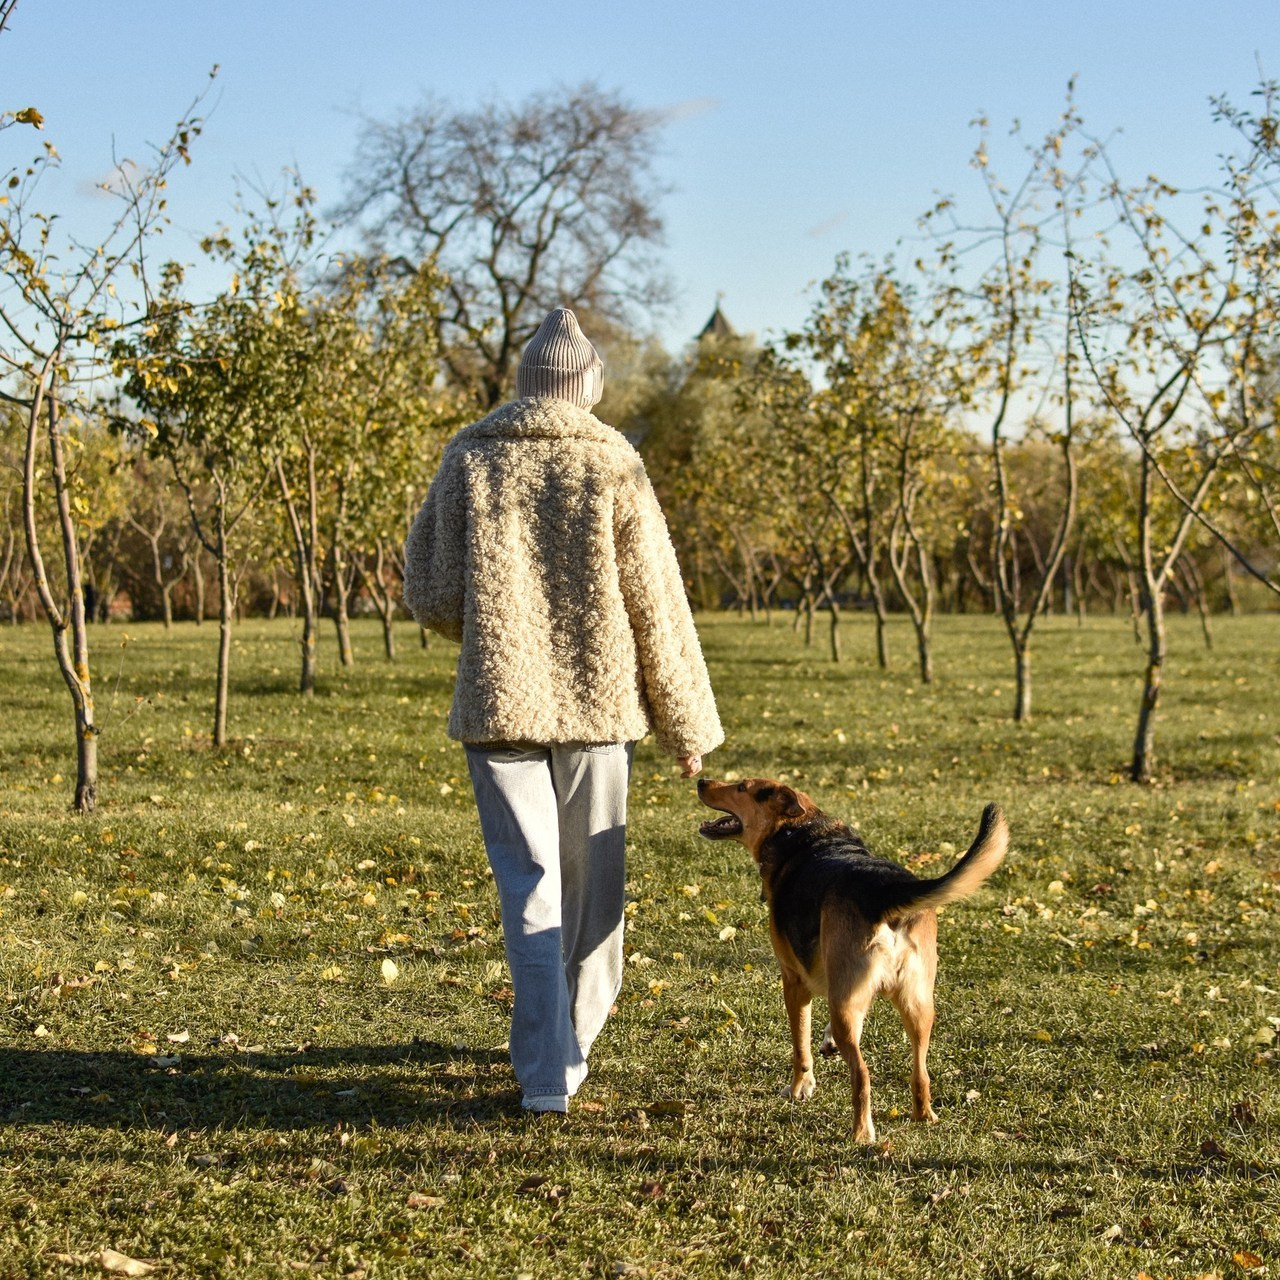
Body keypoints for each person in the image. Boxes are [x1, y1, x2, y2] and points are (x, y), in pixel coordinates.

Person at [403, 306, 723, 1114]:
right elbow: (658, 604)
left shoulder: (470, 458)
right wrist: (688, 728)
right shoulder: (613, 463)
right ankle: (567, 1052)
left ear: (523, 387)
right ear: (587, 388)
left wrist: (483, 626)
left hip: (499, 704)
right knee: (594, 900)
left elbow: (430, 591)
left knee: (531, 893)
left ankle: (545, 1073)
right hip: (597, 707)